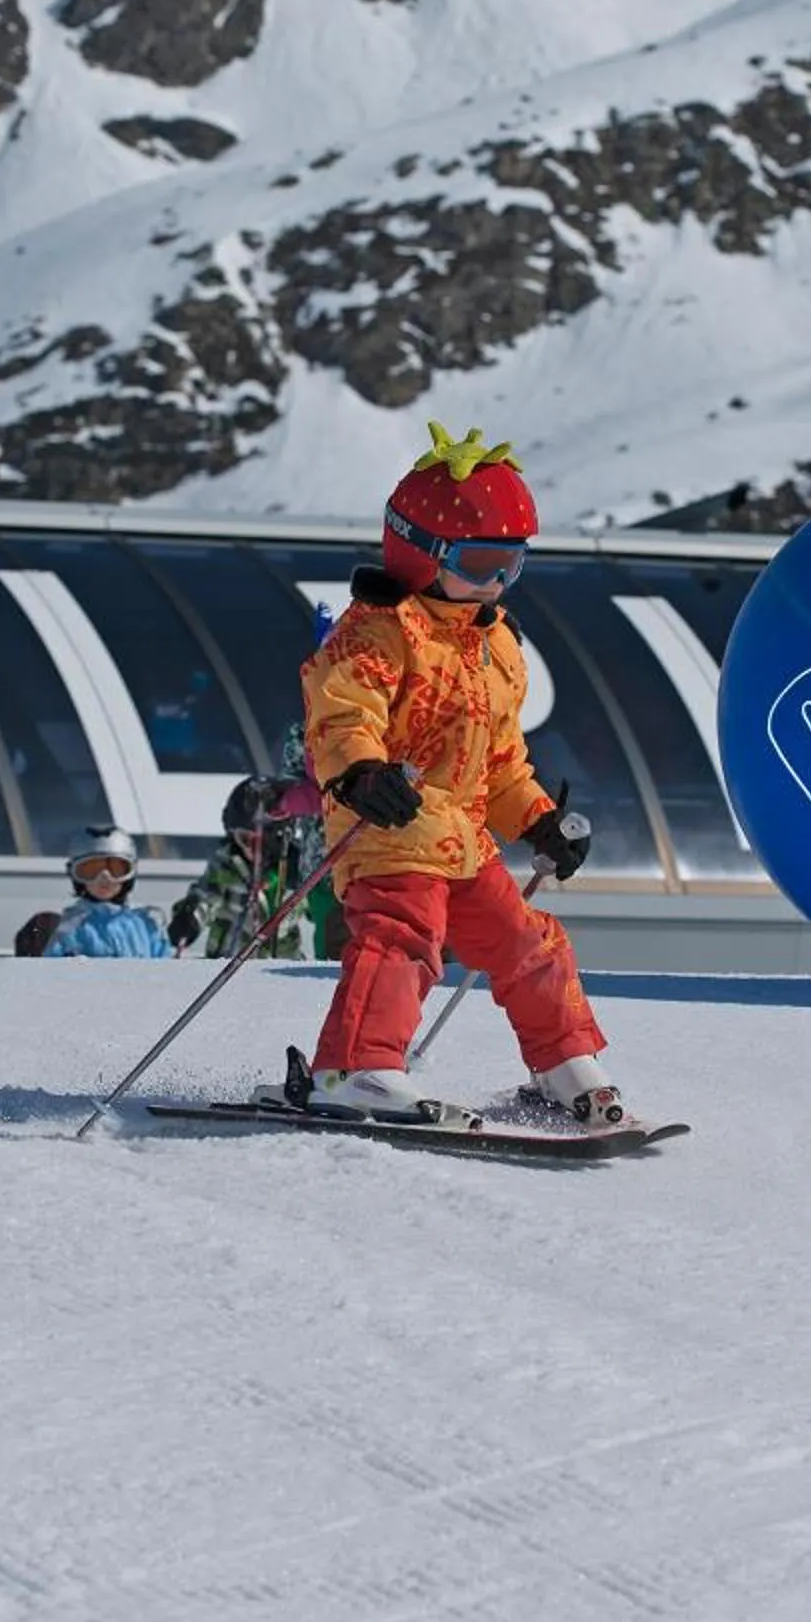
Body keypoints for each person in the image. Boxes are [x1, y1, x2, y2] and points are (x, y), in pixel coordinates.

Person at [293, 422, 627, 1128]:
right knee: (402, 937)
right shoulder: (379, 630)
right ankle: (356, 1068)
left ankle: (564, 1063)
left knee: (529, 943)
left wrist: (536, 818)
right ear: (419, 555)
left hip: (462, 839)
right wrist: (359, 773)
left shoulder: (494, 643)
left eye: (513, 566)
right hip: (387, 826)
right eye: (480, 564)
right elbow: (341, 711)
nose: (496, 584)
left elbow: (499, 757)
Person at [168, 722, 338, 962]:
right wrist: (190, 918)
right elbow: (207, 894)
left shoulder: (293, 869)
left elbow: (318, 911)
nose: (251, 848)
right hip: (229, 957)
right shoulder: (230, 865)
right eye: (244, 839)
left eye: (258, 840)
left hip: (281, 967)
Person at [25, 825, 172, 959]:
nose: (104, 878)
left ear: (130, 873)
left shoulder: (146, 924)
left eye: (116, 869)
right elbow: (53, 973)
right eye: (91, 870)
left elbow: (166, 971)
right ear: (76, 876)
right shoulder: (70, 928)